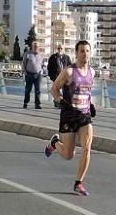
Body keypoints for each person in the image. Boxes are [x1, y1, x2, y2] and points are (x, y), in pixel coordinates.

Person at [43, 40, 95, 196]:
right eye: (81, 51)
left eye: (87, 51)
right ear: (76, 53)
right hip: (68, 115)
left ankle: (79, 183)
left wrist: (91, 104)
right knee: (68, 155)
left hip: (84, 115)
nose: (84, 54)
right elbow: (54, 89)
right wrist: (60, 101)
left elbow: (87, 91)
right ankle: (54, 142)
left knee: (87, 147)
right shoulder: (69, 72)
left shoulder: (92, 72)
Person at [21, 41, 45, 109]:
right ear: (32, 47)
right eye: (34, 46)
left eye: (37, 46)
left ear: (39, 47)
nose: (36, 47)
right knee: (28, 89)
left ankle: (37, 104)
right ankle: (25, 102)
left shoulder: (41, 55)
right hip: (29, 74)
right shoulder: (27, 54)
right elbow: (23, 63)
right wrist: (25, 72)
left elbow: (42, 65)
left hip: (38, 75)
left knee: (38, 90)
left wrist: (41, 72)